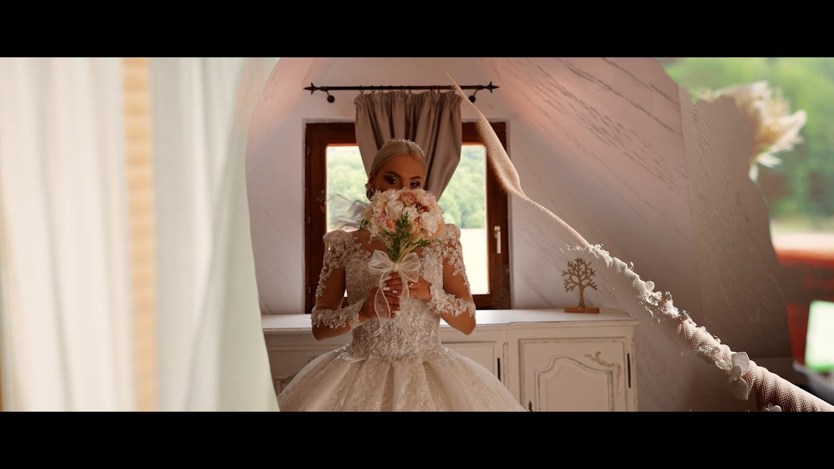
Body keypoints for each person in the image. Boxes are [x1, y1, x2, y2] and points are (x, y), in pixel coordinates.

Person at [277, 138, 525, 411]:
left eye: (414, 183)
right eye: (392, 180)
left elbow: (467, 322)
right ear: (372, 180)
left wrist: (429, 292)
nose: (403, 192)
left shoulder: (443, 240)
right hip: (358, 379)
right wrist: (363, 311)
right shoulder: (343, 244)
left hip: (431, 376)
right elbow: (320, 327)